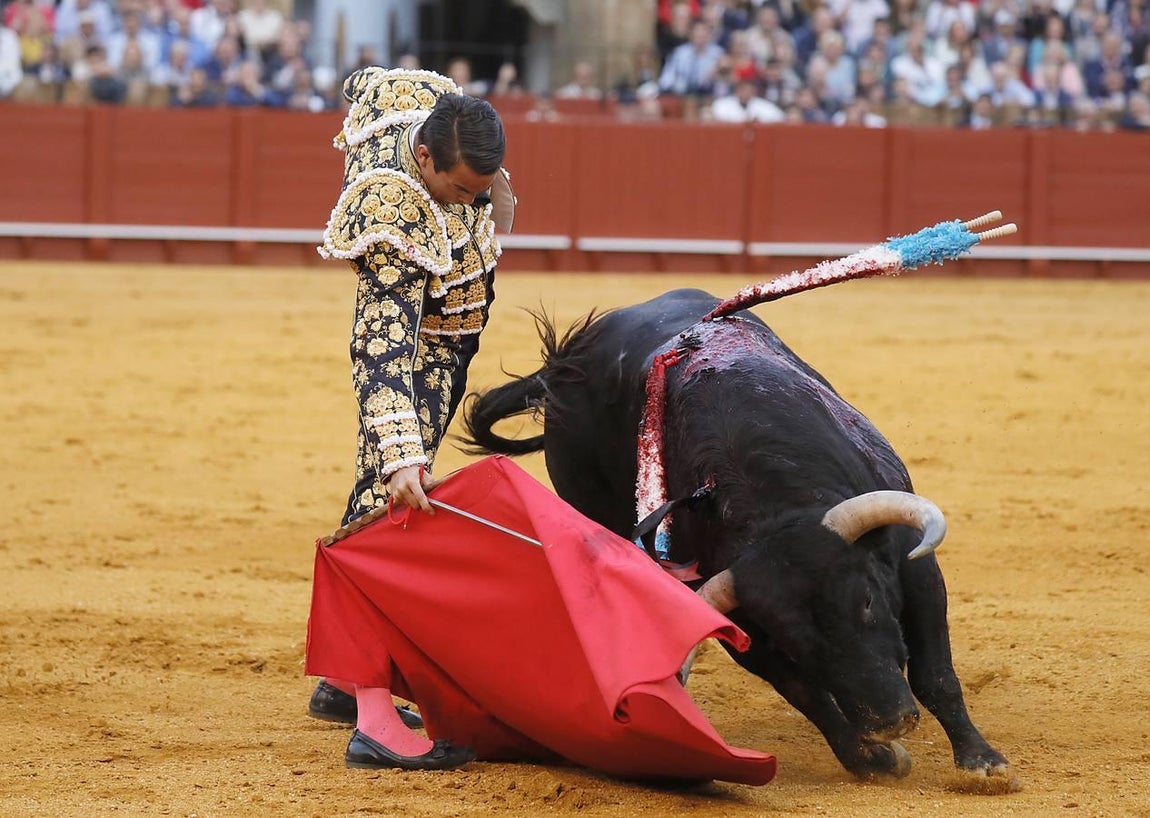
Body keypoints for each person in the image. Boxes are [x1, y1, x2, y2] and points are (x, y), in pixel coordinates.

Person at [309, 67, 512, 771]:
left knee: (376, 511)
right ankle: (372, 720)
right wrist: (400, 452)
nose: (470, 201)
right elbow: (379, 349)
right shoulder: (391, 217)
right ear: (423, 159)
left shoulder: (434, 113)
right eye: (460, 190)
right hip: (420, 357)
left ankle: (344, 680)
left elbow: (369, 82)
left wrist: (484, 193)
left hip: (449, 342)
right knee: (385, 517)